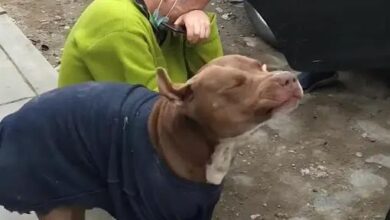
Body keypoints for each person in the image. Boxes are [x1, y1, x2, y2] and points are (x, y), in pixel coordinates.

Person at [58, 0, 223, 91]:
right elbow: (152, 111)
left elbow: (217, 86)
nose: (191, 13)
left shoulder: (169, 21)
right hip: (94, 143)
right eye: (190, 7)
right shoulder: (119, 22)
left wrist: (202, 34)